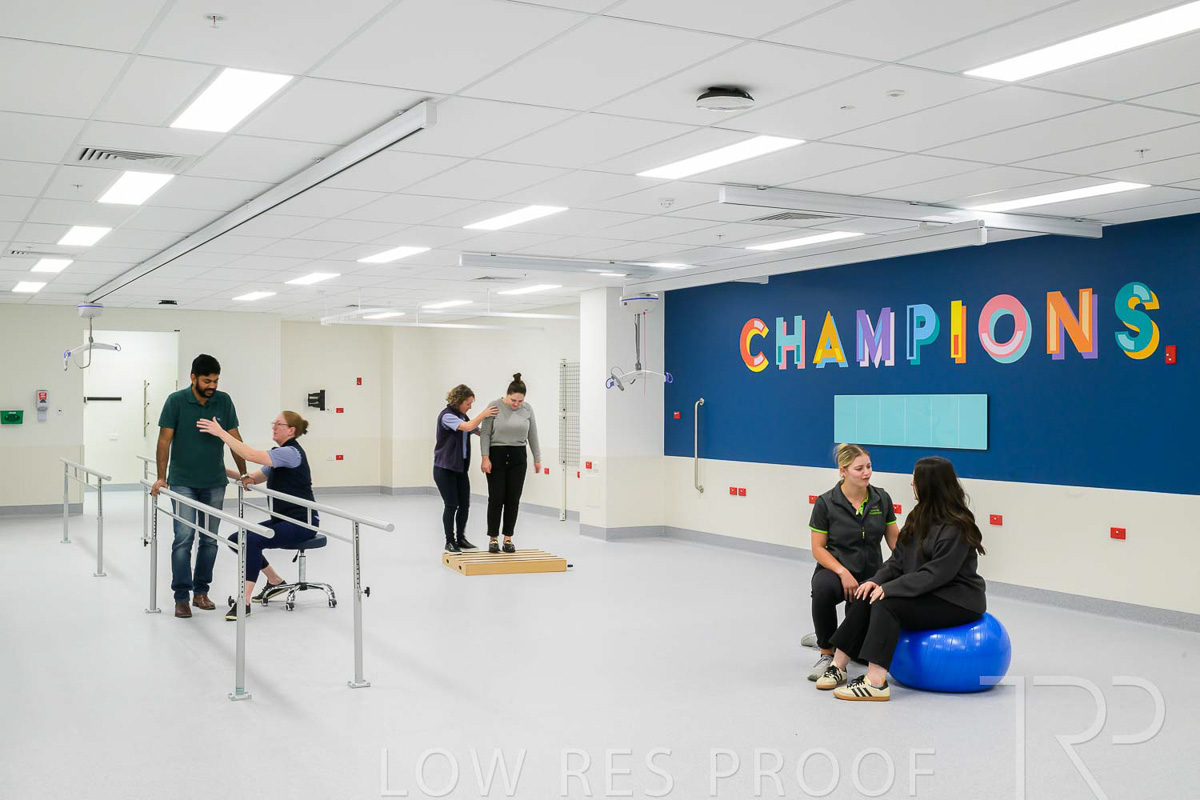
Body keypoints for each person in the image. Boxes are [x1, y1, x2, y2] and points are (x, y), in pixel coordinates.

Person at [814, 456, 988, 702]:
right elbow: (898, 560)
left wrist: (890, 589)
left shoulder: (956, 525)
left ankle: (875, 683)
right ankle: (838, 666)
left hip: (956, 599)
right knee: (866, 593)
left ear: (929, 485)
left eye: (915, 480)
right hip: (929, 591)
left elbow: (936, 574)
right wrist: (876, 581)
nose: (912, 484)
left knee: (886, 604)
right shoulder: (919, 515)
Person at [151, 354, 249, 619]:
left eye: (216, 381)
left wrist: (244, 473)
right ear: (193, 378)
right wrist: (161, 477)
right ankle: (181, 597)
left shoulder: (223, 401)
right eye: (207, 381)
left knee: (209, 540)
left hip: (214, 482)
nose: (212, 386)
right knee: (183, 538)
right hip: (183, 482)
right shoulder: (176, 401)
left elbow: (234, 439)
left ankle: (201, 592)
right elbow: (164, 441)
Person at [196, 411, 317, 621]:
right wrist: (218, 468)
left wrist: (221, 433)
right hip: (285, 519)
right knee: (237, 539)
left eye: (278, 424)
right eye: (274, 423)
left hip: (302, 523)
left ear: (291, 430)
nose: (274, 427)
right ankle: (275, 581)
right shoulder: (279, 457)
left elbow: (250, 455)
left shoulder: (290, 453)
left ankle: (244, 602)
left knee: (250, 541)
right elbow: (251, 478)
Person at [805, 444, 899, 681]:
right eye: (859, 468)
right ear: (843, 471)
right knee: (823, 588)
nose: (867, 472)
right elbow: (818, 548)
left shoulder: (881, 499)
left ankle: (833, 637)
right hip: (836, 571)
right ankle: (826, 651)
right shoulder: (826, 502)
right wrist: (842, 571)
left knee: (860, 653)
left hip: (871, 573)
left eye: (869, 466)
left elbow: (895, 542)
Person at [480, 373, 541, 554]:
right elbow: (485, 433)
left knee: (513, 499)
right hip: (497, 454)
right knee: (496, 498)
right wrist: (485, 457)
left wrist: (537, 458)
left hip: (518, 456)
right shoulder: (494, 406)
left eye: (520, 401)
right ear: (507, 395)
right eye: (513, 400)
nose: (516, 404)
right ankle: (493, 538)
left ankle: (508, 538)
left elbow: (533, 434)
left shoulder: (527, 409)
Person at [434, 384, 498, 554]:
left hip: (460, 469)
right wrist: (484, 414)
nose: (470, 407)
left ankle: (461, 538)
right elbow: (468, 427)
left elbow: (477, 430)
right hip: (445, 469)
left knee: (464, 504)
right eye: (468, 403)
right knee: (451, 504)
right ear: (459, 401)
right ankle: (449, 541)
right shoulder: (447, 416)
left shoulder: (462, 416)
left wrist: (493, 435)